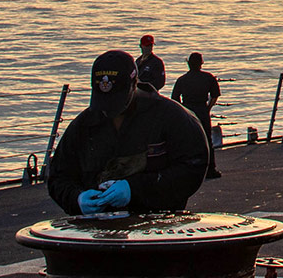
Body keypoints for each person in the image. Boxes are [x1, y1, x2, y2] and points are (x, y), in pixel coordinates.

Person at [49, 49, 210, 216]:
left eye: (117, 100)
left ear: (135, 84)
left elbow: (193, 168)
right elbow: (58, 177)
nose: (110, 110)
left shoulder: (172, 117)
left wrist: (135, 189)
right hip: (97, 225)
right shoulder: (82, 125)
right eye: (104, 102)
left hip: (159, 223)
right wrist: (77, 199)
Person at [171, 51, 224, 178]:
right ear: (201, 64)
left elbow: (175, 98)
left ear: (189, 64)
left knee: (187, 141)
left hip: (188, 111)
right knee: (207, 141)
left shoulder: (182, 80)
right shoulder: (208, 77)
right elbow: (215, 95)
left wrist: (183, 110)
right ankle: (210, 169)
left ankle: (188, 169)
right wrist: (208, 107)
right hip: (202, 109)